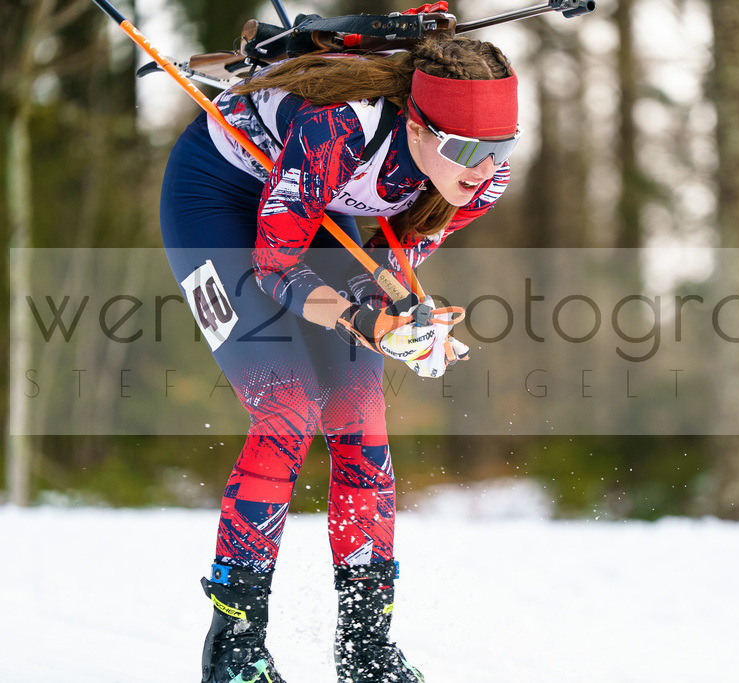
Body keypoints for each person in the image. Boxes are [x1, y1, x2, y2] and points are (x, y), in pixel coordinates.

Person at [158, 17, 519, 683]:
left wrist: (413, 320)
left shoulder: (481, 178)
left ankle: (366, 645)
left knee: (360, 414)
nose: (489, 169)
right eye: (468, 149)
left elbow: (393, 257)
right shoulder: (343, 128)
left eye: (502, 146)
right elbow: (273, 268)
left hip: (319, 208)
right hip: (217, 199)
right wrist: (368, 322)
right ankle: (234, 649)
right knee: (287, 407)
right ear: (417, 125)